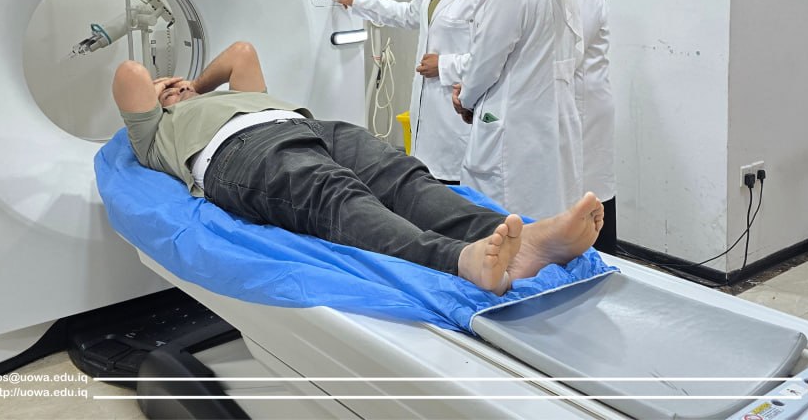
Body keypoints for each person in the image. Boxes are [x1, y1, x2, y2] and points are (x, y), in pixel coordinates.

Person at [112, 40, 604, 296]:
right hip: (238, 152)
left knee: (403, 176)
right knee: (336, 195)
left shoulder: (228, 93)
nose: (175, 88)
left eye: (177, 84)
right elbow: (129, 74)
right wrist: (166, 96)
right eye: (165, 90)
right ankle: (459, 260)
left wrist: (194, 86)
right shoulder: (155, 135)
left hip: (308, 125)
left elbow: (241, 52)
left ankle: (520, 240)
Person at [451, 0, 584, 221]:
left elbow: (485, 62)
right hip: (552, 121)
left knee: (508, 227)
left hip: (513, 128)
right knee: (549, 218)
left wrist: (464, 97)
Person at [333, 0, 492, 184]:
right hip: (428, 114)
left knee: (455, 188)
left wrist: (444, 65)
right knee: (426, 181)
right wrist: (357, 1)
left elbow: (490, 59)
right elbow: (407, 14)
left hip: (457, 112)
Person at [562, 0, 617, 254]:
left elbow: (566, 53)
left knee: (589, 196)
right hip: (575, 103)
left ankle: (598, 265)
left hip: (584, 106)